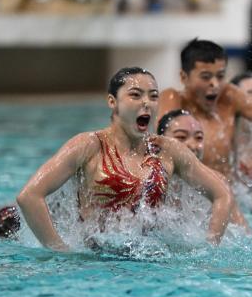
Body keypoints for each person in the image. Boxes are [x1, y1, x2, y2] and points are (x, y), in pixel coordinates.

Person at [17, 67, 233, 251]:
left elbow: (222, 194)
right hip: (94, 263)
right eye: (136, 95)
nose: (147, 102)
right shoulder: (89, 145)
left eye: (153, 95)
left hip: (151, 261)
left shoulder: (168, 150)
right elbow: (29, 196)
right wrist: (60, 251)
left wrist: (208, 249)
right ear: (112, 102)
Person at [158, 40, 252, 210]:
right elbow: (163, 145)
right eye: (206, 77)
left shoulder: (229, 97)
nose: (215, 84)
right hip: (186, 210)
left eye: (220, 76)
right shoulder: (172, 99)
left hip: (230, 203)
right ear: (184, 77)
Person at [157, 109, 250, 229]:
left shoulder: (218, 182)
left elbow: (243, 233)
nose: (192, 144)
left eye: (199, 138)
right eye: (181, 137)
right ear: (160, 141)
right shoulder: (151, 177)